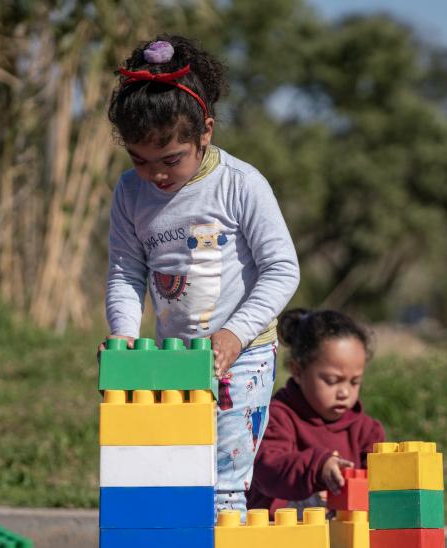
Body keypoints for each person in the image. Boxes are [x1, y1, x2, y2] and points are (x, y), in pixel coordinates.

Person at [101, 34, 300, 515]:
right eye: (139, 160)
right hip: (171, 360)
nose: (157, 176)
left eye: (171, 160)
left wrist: (234, 335)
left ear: (204, 132)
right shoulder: (131, 193)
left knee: (225, 483)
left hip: (243, 356)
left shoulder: (240, 184)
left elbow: (282, 269)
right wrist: (124, 335)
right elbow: (126, 273)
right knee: (172, 472)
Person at [247, 309, 385, 517]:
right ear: (298, 371)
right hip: (284, 531)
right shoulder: (277, 417)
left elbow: (381, 488)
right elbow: (268, 471)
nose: (345, 392)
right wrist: (317, 467)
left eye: (354, 382)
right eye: (332, 380)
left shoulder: (367, 431)